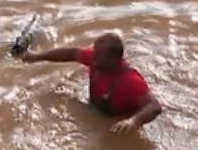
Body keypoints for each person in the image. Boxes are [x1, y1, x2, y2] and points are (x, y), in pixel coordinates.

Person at [20, 32, 164, 132]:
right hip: (95, 110)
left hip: (117, 123)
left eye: (98, 55)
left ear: (113, 60)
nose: (92, 57)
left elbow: (154, 106)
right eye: (94, 52)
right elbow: (71, 54)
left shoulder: (131, 80)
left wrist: (133, 122)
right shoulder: (94, 59)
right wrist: (36, 57)